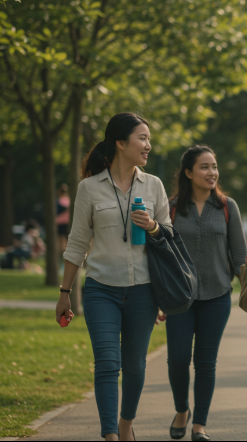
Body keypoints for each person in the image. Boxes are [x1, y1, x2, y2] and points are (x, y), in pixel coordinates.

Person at [56, 113, 170, 442]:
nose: (148, 145)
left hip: (144, 291)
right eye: (142, 138)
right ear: (121, 143)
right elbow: (77, 243)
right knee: (107, 362)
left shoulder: (154, 185)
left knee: (134, 366)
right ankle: (109, 435)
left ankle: (125, 424)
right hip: (101, 290)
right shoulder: (89, 188)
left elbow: (170, 235)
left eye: (149, 138)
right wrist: (65, 292)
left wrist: (152, 226)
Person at [162, 146, 247, 442]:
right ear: (188, 173)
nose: (212, 172)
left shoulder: (227, 206)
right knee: (177, 359)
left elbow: (239, 255)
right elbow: (162, 256)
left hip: (217, 295)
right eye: (204, 167)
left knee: (205, 361)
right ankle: (181, 410)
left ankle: (199, 424)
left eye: (214, 166)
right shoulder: (171, 207)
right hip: (179, 297)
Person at [56, 183, 71, 254]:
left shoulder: (58, 201)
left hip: (59, 223)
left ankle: (60, 259)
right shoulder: (70, 201)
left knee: (59, 242)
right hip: (68, 223)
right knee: (67, 242)